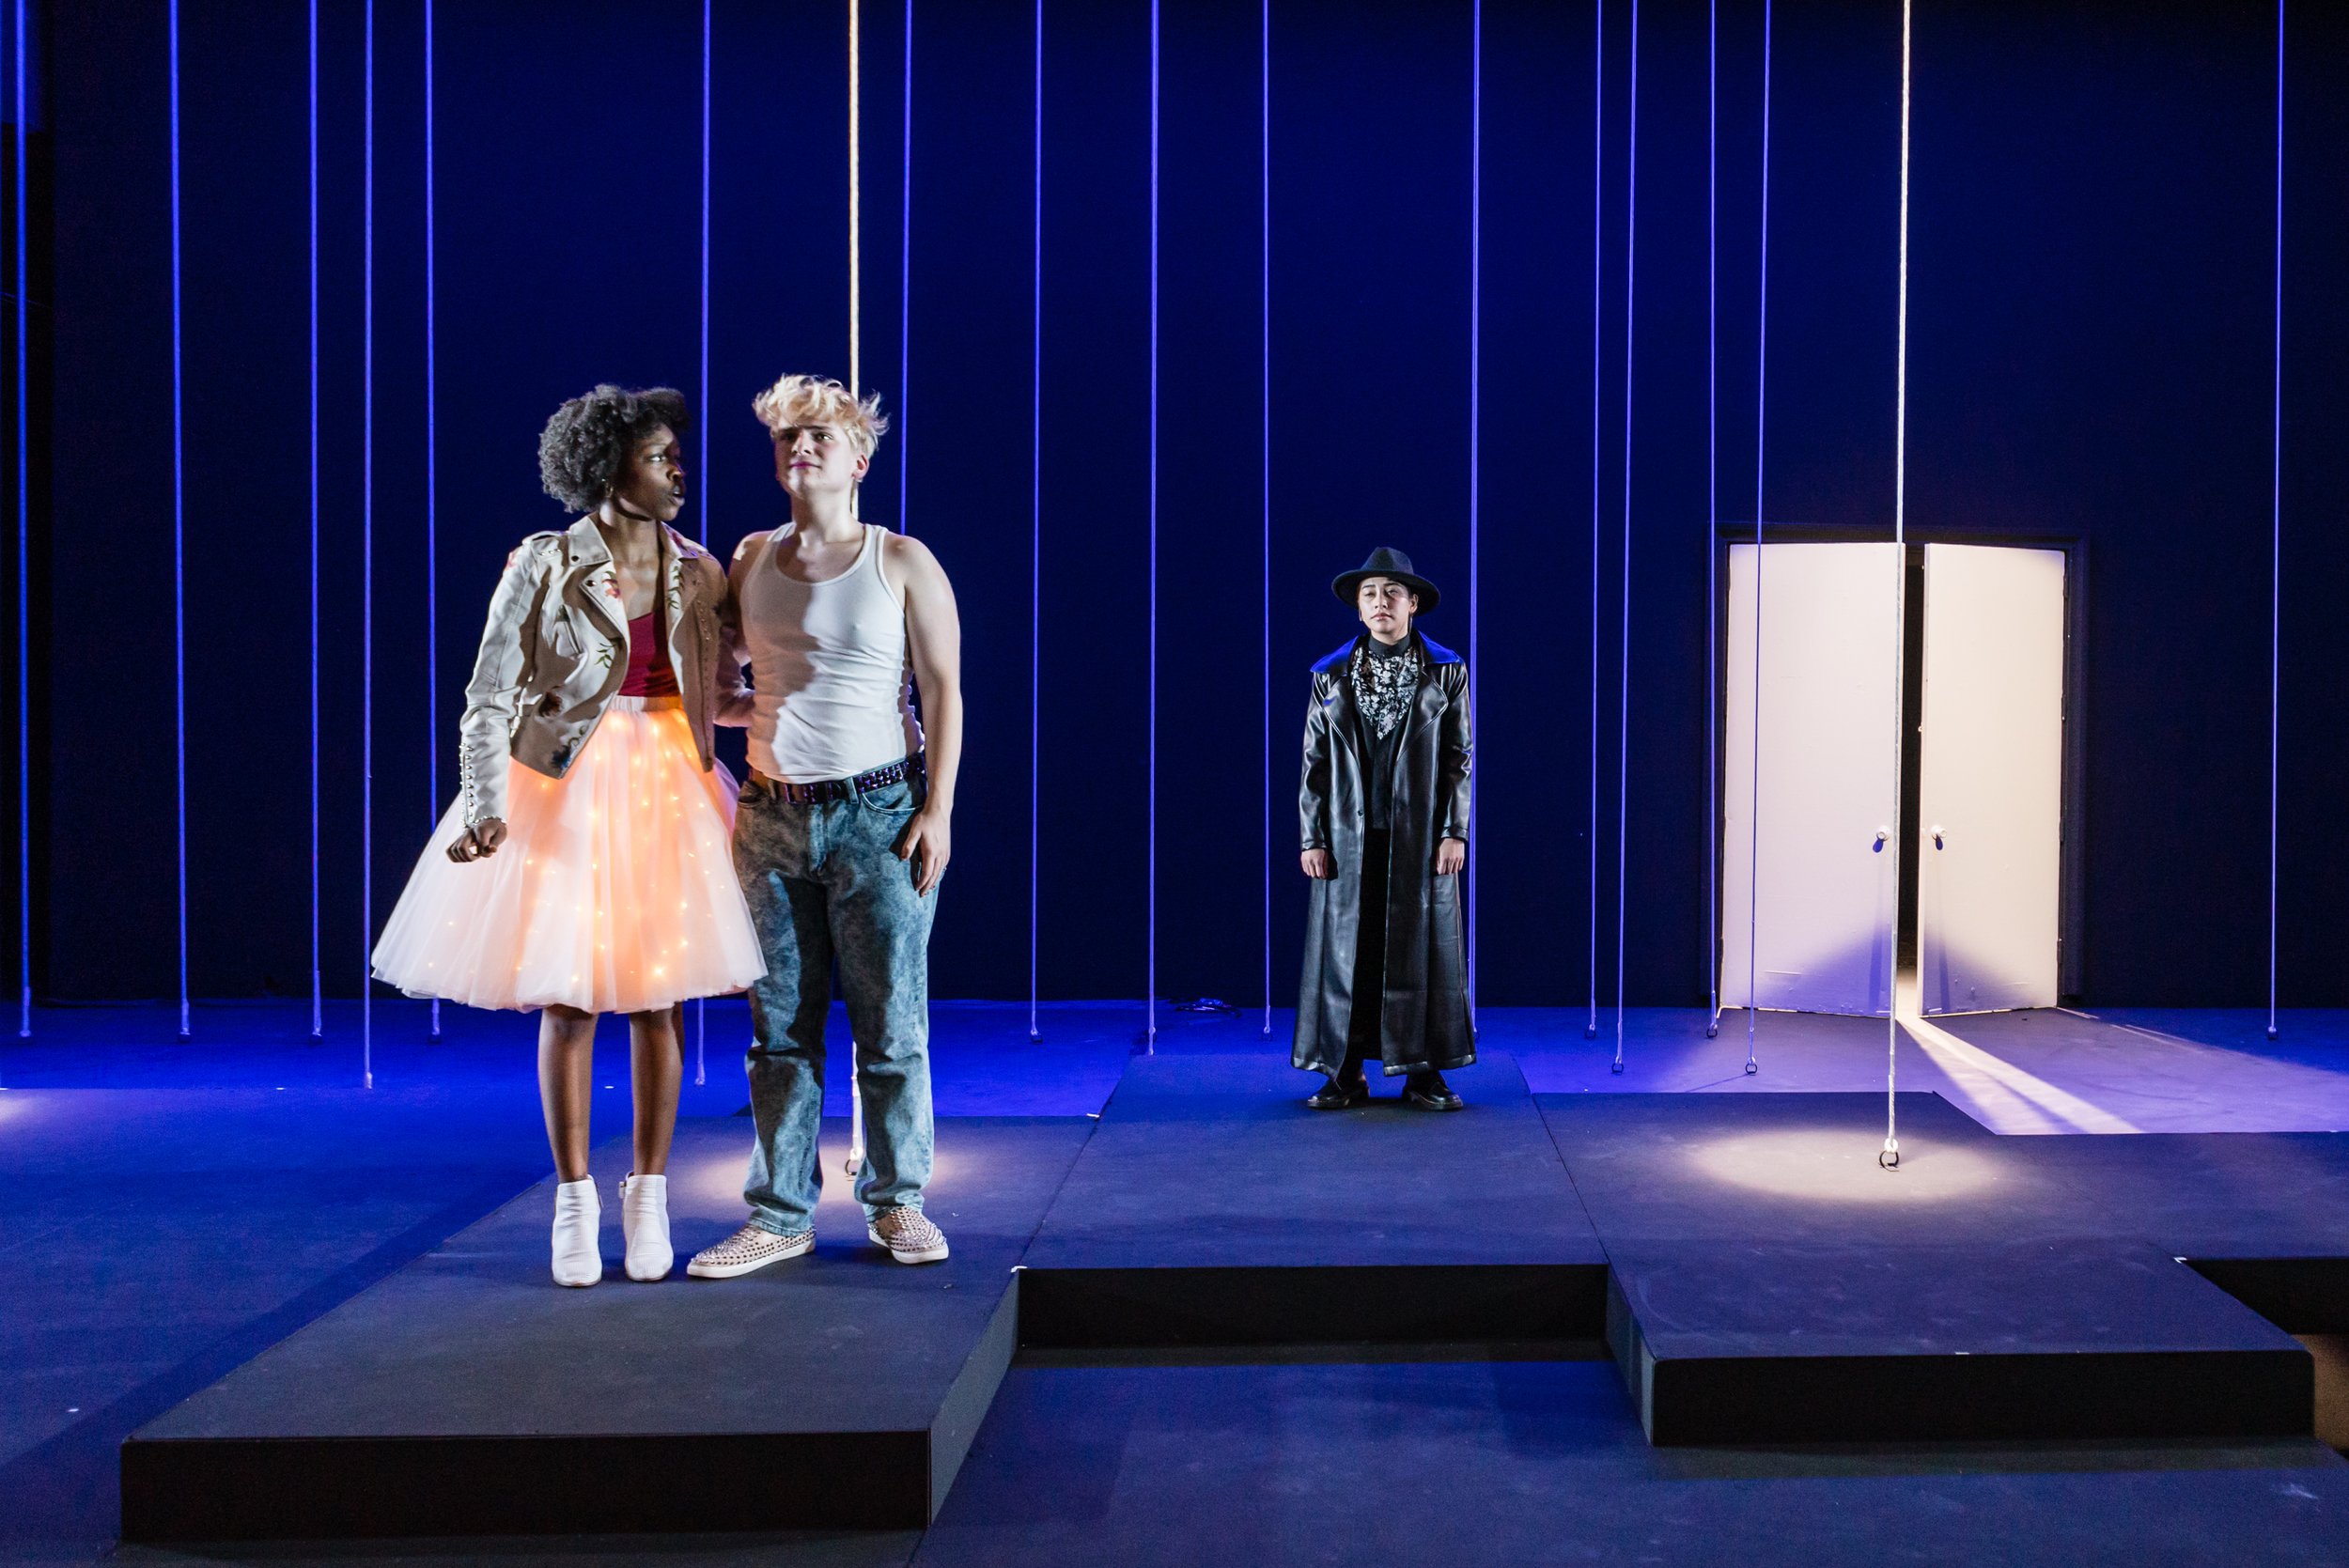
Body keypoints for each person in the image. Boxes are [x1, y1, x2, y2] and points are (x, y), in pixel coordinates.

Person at [372, 385, 765, 1287]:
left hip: (670, 780)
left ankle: (650, 1194)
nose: (679, 472)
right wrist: (485, 803)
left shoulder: (700, 569)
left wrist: (816, 712)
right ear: (608, 469)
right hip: (569, 782)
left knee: (661, 996)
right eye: (659, 457)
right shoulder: (545, 562)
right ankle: (575, 1198)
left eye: (677, 456)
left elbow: (731, 683)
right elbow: (488, 694)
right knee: (571, 994)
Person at [687, 373, 963, 1277]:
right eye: (787, 437)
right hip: (771, 816)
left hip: (879, 816)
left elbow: (945, 690)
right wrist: (740, 709)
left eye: (819, 436)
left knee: (892, 1024)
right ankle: (780, 1213)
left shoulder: (902, 560)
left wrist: (938, 809)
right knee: (778, 1030)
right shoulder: (752, 557)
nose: (800, 447)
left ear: (860, 460)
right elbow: (724, 671)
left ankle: (898, 1201)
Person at [1294, 547, 1476, 1110]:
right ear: (1358, 607)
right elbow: (1313, 765)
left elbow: (1459, 758)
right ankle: (1344, 1070)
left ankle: (1424, 1072)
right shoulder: (1329, 675)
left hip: (1420, 838)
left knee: (1421, 954)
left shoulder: (1446, 670)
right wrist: (1312, 837)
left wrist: (1454, 831)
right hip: (1348, 840)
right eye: (1369, 594)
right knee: (1348, 955)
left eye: (1392, 592)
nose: (1380, 603)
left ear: (1412, 603)